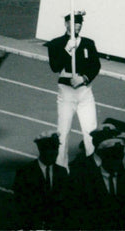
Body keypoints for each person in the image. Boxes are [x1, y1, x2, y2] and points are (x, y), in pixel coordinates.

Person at [47, 11, 100, 169]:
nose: (77, 25)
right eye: (74, 22)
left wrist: (84, 78)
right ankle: (61, 167)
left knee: (91, 130)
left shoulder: (88, 43)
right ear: (66, 24)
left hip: (84, 91)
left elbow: (95, 65)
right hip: (67, 91)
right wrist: (67, 50)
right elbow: (55, 66)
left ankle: (95, 166)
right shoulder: (56, 43)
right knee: (63, 131)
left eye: (79, 22)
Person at [67, 123, 125, 230]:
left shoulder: (124, 173)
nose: (107, 140)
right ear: (95, 142)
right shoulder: (79, 167)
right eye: (103, 138)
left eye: (111, 137)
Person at [13, 131, 70, 230]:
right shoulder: (25, 173)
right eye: (50, 149)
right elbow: (20, 205)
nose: (54, 153)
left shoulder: (62, 172)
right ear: (41, 150)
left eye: (56, 148)